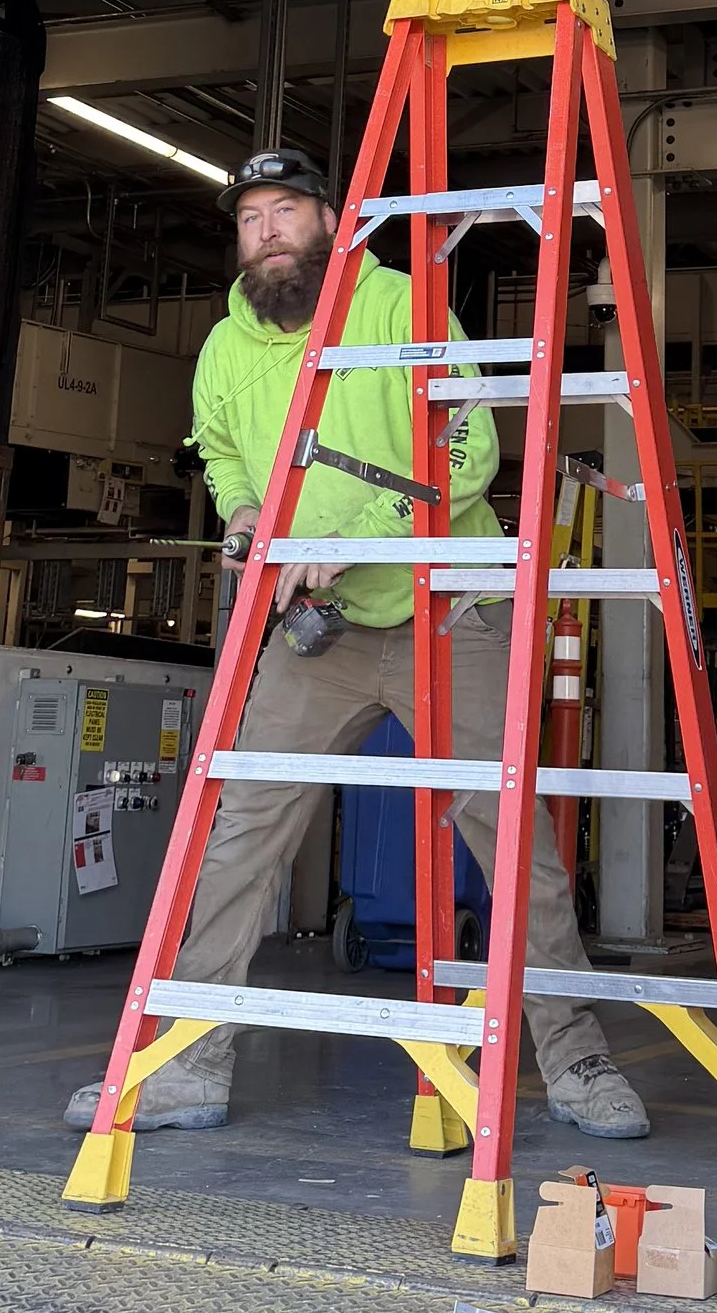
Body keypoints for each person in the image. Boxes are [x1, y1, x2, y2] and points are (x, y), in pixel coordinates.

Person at [66, 145, 648, 1140]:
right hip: (318, 635)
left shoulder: (401, 306)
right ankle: (186, 1065)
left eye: (287, 210)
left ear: (330, 222)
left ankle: (574, 1058)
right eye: (251, 218)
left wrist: (356, 536)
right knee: (240, 837)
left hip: (447, 611)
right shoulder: (222, 349)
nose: (269, 230)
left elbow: (472, 444)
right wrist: (246, 513)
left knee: (511, 843)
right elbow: (216, 452)